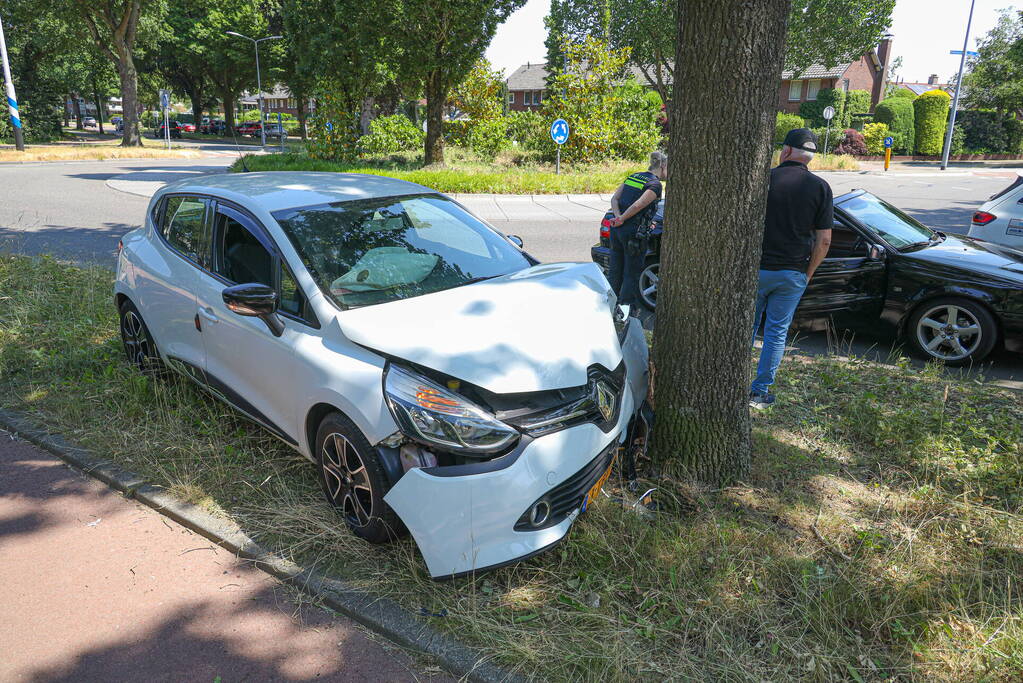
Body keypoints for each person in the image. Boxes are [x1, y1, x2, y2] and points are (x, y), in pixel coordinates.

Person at [750, 128, 833, 409]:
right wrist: (807, 273)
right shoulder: (820, 187)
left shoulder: (764, 180)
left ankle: (731, 383)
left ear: (785, 151)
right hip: (793, 272)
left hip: (756, 270)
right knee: (776, 333)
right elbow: (824, 240)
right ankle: (760, 392)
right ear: (809, 157)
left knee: (745, 329)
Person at [607, 151, 667, 309]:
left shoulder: (634, 176)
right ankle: (626, 312)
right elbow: (638, 205)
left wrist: (618, 217)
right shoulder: (655, 185)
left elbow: (615, 199)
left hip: (617, 231)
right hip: (634, 234)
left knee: (615, 272)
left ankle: (609, 308)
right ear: (662, 166)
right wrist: (623, 218)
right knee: (631, 274)